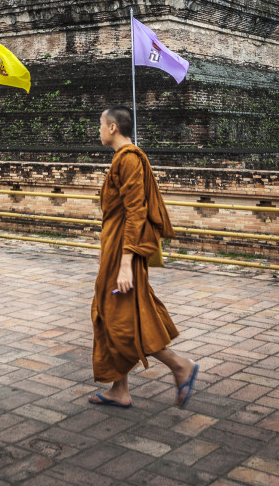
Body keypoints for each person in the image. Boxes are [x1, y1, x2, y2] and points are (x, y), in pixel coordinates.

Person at [89, 105, 198, 409]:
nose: (98, 129)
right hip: (116, 247)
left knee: (122, 318)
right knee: (120, 314)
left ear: (113, 128)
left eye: (101, 124)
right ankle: (119, 389)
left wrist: (125, 265)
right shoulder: (122, 160)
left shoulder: (129, 160)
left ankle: (180, 366)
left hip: (125, 251)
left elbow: (136, 213)